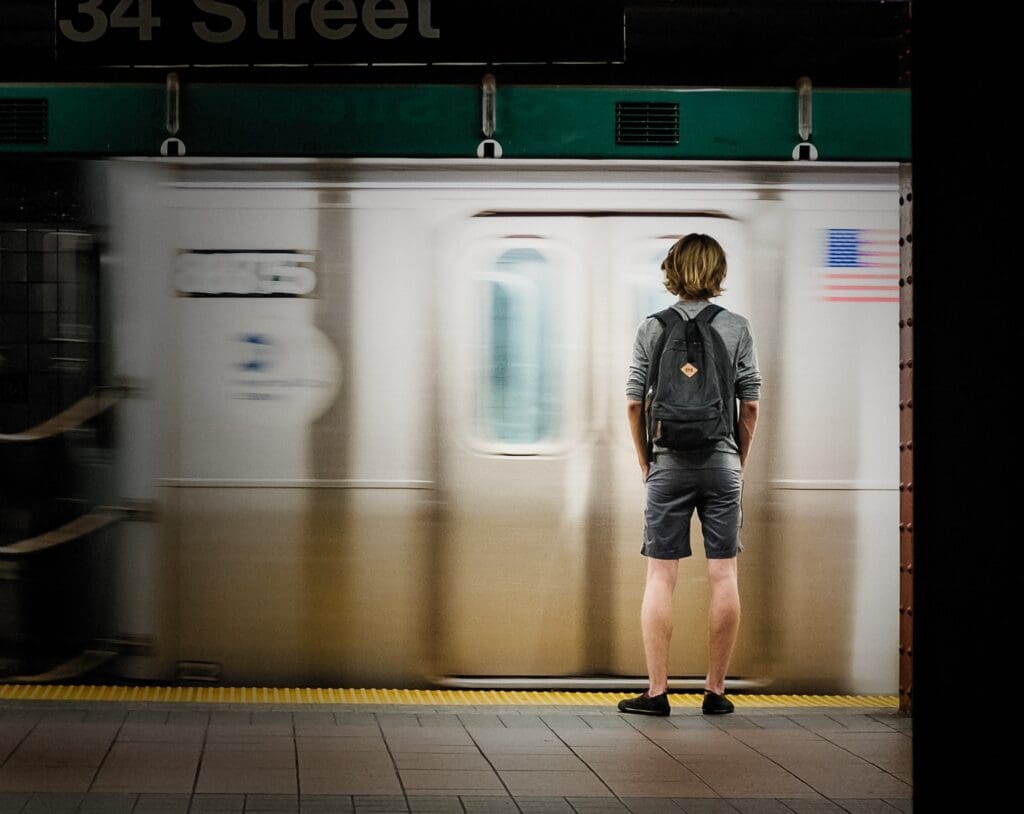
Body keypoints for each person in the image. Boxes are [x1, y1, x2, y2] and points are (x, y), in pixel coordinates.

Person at [618, 233, 761, 717]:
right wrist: (736, 462)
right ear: (718, 273)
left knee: (661, 577)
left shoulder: (652, 328)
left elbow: (635, 402)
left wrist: (645, 461)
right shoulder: (738, 327)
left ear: (672, 269)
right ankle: (715, 692)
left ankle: (657, 692)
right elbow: (752, 406)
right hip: (723, 465)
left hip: (667, 465)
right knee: (724, 576)